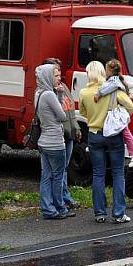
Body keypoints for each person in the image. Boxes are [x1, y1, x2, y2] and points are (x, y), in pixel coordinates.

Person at [79, 60, 133, 223]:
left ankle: (99, 213)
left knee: (98, 173)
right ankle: (118, 213)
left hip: (94, 134)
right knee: (118, 173)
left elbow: (83, 112)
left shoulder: (84, 93)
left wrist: (93, 117)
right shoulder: (114, 90)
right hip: (113, 135)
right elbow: (131, 107)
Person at [35, 63, 75, 220]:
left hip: (43, 141)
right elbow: (62, 115)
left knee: (46, 176)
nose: (56, 78)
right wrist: (58, 95)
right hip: (55, 142)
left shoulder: (38, 93)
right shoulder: (49, 95)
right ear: (47, 77)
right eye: (53, 75)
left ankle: (47, 207)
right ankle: (59, 208)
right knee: (58, 176)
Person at [43, 57, 81, 211]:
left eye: (59, 72)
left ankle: (64, 197)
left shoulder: (64, 87)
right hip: (57, 136)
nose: (58, 76)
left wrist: (76, 127)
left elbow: (70, 110)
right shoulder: (48, 93)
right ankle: (60, 200)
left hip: (69, 134)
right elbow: (57, 115)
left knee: (63, 168)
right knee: (55, 172)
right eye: (55, 72)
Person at [95, 59, 133, 163]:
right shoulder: (118, 80)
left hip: (118, 113)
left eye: (106, 70)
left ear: (110, 71)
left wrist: (99, 93)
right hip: (120, 113)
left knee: (125, 132)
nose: (105, 72)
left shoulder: (114, 81)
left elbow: (110, 87)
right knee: (124, 132)